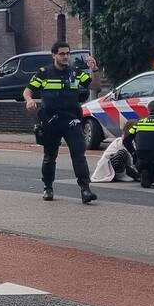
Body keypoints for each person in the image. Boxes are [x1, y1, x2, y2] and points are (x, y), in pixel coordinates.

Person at [23, 41, 98, 204]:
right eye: (62, 54)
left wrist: (95, 70)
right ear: (54, 55)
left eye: (67, 53)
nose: (65, 57)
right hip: (51, 120)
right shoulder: (44, 73)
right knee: (50, 156)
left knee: (79, 154)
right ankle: (48, 188)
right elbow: (28, 90)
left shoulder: (75, 72)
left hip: (72, 120)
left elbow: (95, 86)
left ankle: (85, 189)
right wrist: (29, 100)